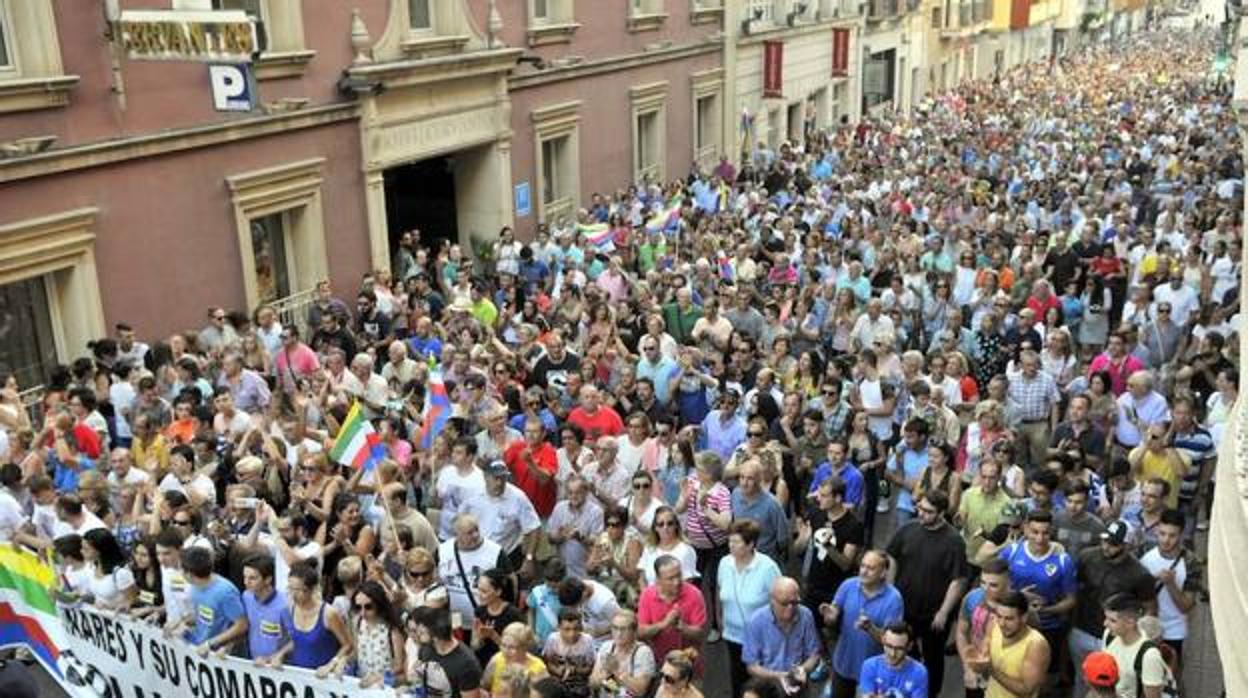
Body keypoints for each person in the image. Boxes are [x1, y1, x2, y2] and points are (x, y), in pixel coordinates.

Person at [885, 491, 968, 695]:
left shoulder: (954, 541)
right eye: (920, 508)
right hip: (904, 608)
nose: (921, 514)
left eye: (928, 511)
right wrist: (890, 589)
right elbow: (892, 556)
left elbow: (959, 580)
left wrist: (944, 612)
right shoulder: (908, 529)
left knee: (933, 658)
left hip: (934, 614)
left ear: (941, 513)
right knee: (904, 652)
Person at [822, 550, 904, 698]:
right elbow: (832, 616)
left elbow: (892, 641)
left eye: (870, 568)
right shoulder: (848, 585)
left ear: (883, 573)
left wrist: (870, 628)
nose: (864, 572)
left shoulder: (894, 599)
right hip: (843, 664)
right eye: (862, 566)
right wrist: (830, 617)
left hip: (874, 670)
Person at [717, 519, 783, 696]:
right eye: (729, 540)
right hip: (733, 636)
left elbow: (782, 599)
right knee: (737, 683)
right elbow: (720, 595)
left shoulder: (768, 568)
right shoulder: (724, 563)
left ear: (751, 544)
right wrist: (721, 621)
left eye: (736, 542)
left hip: (761, 640)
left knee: (760, 688)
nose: (730, 545)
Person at [741, 577, 821, 697]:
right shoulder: (756, 621)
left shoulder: (806, 616)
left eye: (795, 603)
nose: (790, 609)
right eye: (784, 603)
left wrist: (803, 669)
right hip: (767, 685)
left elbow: (814, 655)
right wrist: (780, 676)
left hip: (797, 685)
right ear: (772, 600)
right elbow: (751, 666)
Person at [963, 590, 1050, 698]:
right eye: (999, 616)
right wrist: (977, 660)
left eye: (1009, 618)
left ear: (1023, 618)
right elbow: (985, 651)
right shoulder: (994, 624)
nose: (1002, 623)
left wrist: (991, 670)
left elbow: (1027, 690)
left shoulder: (1036, 645)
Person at [636, 556, 707, 673]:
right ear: (658, 579)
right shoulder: (647, 595)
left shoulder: (694, 594)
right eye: (670, 578)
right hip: (659, 665)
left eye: (679, 575)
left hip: (689, 665)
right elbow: (640, 632)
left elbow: (700, 634)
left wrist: (682, 627)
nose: (677, 582)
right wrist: (663, 624)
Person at [178, 546, 247, 657]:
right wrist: (182, 623)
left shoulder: (226, 592)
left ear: (189, 574)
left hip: (216, 655)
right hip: (197, 647)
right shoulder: (194, 586)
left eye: (181, 569)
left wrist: (210, 644)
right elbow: (203, 616)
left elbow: (241, 625)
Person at [1101, 594, 1171, 698]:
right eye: (1106, 618)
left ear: (1130, 622)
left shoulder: (1149, 655)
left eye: (1112, 620)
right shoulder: (1109, 635)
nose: (1105, 624)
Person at [407, 604, 484, 698]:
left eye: (422, 632)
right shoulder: (426, 647)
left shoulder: (467, 664)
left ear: (435, 637)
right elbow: (420, 670)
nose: (418, 634)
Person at [589, 609, 656, 698]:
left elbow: (640, 691)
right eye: (615, 628)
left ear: (634, 631)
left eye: (624, 629)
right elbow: (592, 682)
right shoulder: (606, 647)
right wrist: (605, 674)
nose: (619, 633)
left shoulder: (643, 652)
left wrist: (616, 671)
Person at [857, 622, 929, 697]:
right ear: (882, 641)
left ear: (909, 646)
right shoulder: (869, 666)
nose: (892, 654)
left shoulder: (919, 672)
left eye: (899, 649)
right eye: (889, 646)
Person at [241, 554, 288, 665]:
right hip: (254, 663)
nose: (246, 582)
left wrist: (276, 657)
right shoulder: (246, 596)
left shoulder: (285, 605)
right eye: (245, 577)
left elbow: (296, 640)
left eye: (252, 578)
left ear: (268, 579)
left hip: (279, 667)